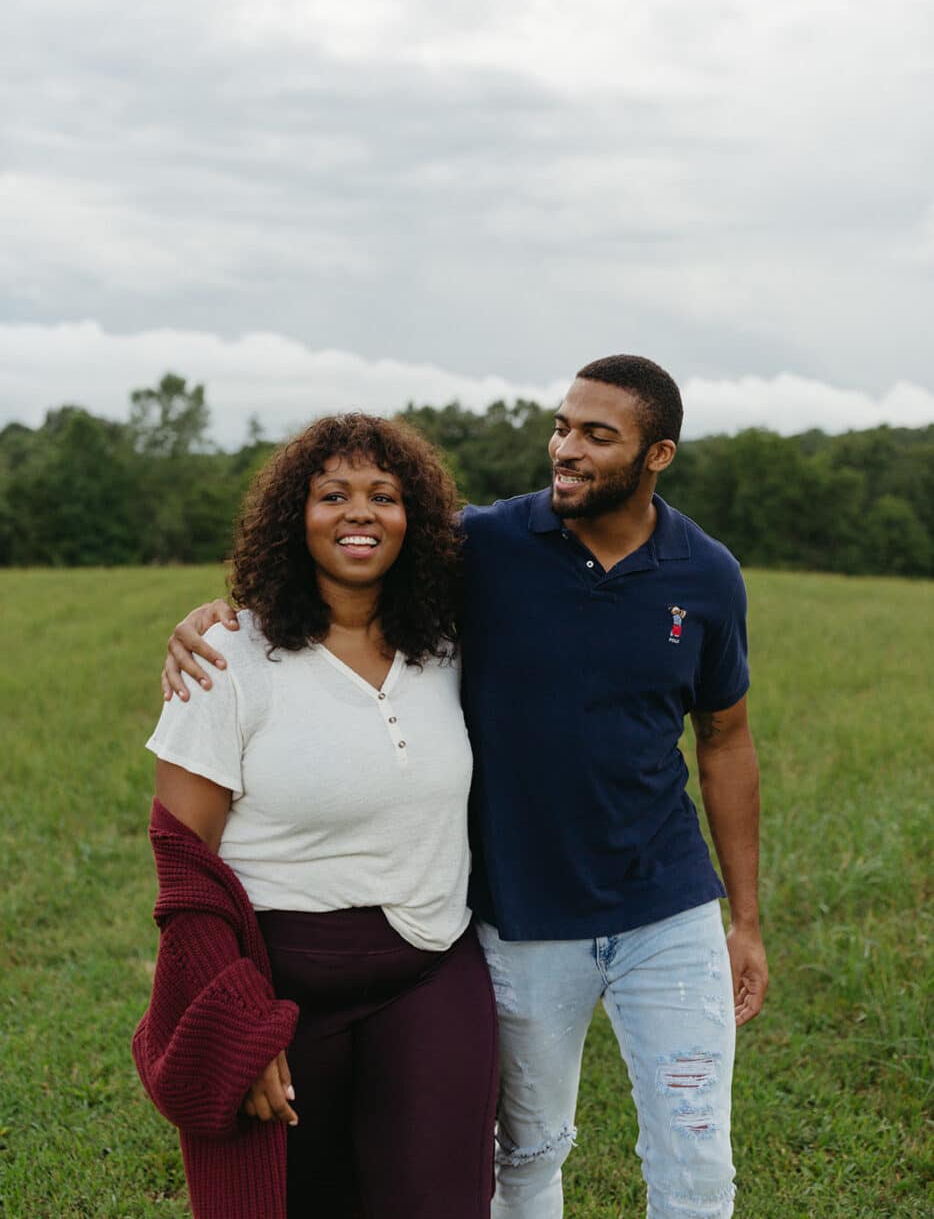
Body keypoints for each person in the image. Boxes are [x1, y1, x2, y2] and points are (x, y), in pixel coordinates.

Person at [162, 356, 768, 1219]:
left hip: (665, 908)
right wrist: (214, 617)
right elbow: (350, 543)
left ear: (657, 454)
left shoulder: (707, 576)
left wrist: (745, 920)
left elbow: (726, 738)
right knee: (525, 1156)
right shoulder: (484, 544)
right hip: (520, 912)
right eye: (562, 426)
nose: (566, 447)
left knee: (697, 1155)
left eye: (598, 436)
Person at [134, 413, 498, 1219]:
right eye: (333, 495)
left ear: (416, 521)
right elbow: (184, 866)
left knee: (440, 1200)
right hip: (283, 975)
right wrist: (241, 1022)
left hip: (430, 963)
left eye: (385, 495)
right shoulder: (228, 658)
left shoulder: (447, 648)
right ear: (294, 519)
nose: (360, 512)